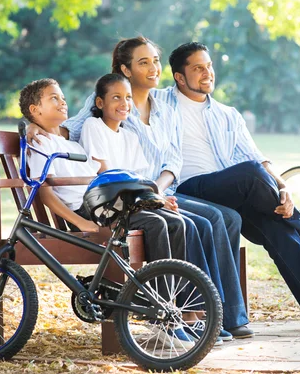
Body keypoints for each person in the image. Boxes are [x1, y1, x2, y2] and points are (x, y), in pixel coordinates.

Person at [158, 42, 300, 329]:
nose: (207, 73)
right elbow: (101, 104)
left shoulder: (227, 115)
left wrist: (283, 187)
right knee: (252, 177)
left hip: (228, 192)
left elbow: (258, 158)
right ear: (179, 76)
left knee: (278, 228)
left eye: (209, 66)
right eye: (198, 68)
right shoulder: (160, 102)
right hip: (187, 190)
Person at [66, 38, 251, 340]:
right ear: (125, 69)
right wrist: (38, 128)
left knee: (227, 217)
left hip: (160, 189)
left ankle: (225, 315)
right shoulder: (111, 101)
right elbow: (72, 127)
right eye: (143, 62)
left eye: (155, 60)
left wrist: (159, 189)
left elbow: (174, 156)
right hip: (132, 197)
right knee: (204, 222)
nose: (153, 68)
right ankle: (196, 314)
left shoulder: (165, 106)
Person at [19, 78, 197, 348]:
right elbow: (44, 192)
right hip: (88, 210)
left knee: (175, 222)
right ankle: (162, 317)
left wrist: (153, 198)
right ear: (35, 110)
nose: (63, 101)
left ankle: (171, 303)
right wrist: (82, 223)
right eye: (53, 98)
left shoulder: (71, 143)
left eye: (62, 96)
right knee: (156, 225)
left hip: (104, 203)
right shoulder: (40, 143)